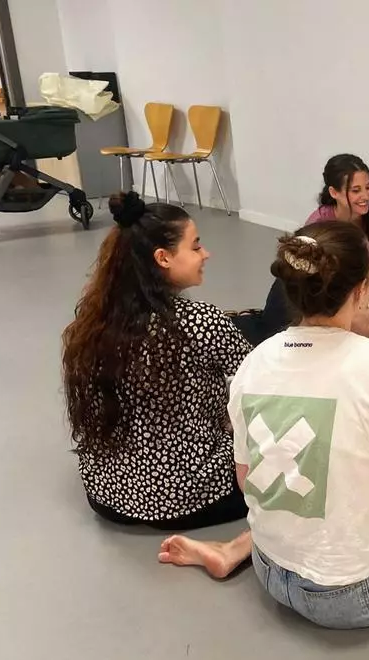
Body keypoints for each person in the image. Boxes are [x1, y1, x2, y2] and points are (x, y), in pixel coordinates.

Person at [162, 221, 369, 625]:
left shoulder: (253, 362)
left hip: (269, 569)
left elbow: (246, 479)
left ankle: (236, 549)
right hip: (353, 595)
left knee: (319, 490)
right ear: (363, 289)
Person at [62, 192, 252, 532]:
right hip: (186, 499)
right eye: (195, 246)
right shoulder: (200, 321)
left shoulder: (95, 322)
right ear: (163, 258)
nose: (205, 254)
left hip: (109, 496)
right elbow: (259, 378)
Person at [232, 154, 369, 346]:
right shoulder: (319, 225)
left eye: (368, 188)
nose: (365, 196)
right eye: (355, 190)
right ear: (334, 192)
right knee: (275, 334)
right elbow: (314, 285)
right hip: (319, 291)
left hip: (353, 295)